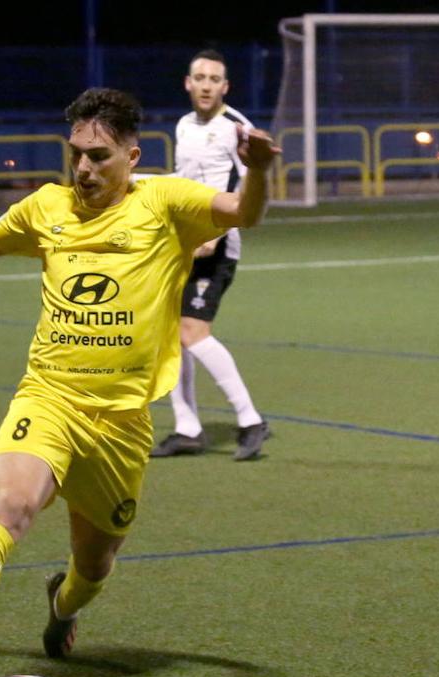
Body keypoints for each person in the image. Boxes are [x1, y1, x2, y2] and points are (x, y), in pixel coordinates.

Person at [0, 88, 278, 677]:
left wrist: (262, 173)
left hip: (121, 425)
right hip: (49, 398)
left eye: (99, 156)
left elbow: (242, 213)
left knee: (93, 566)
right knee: (9, 508)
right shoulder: (48, 207)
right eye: (76, 155)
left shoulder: (167, 202)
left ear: (133, 157)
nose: (84, 168)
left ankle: (61, 609)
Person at [151, 49, 270, 461]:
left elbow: (242, 187)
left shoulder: (237, 129)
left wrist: (215, 235)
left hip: (216, 246)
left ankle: (251, 419)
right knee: (173, 339)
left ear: (225, 87)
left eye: (213, 79)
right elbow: (184, 184)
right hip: (184, 244)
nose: (205, 85)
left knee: (193, 334)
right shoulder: (184, 126)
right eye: (198, 77)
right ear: (188, 82)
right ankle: (187, 429)